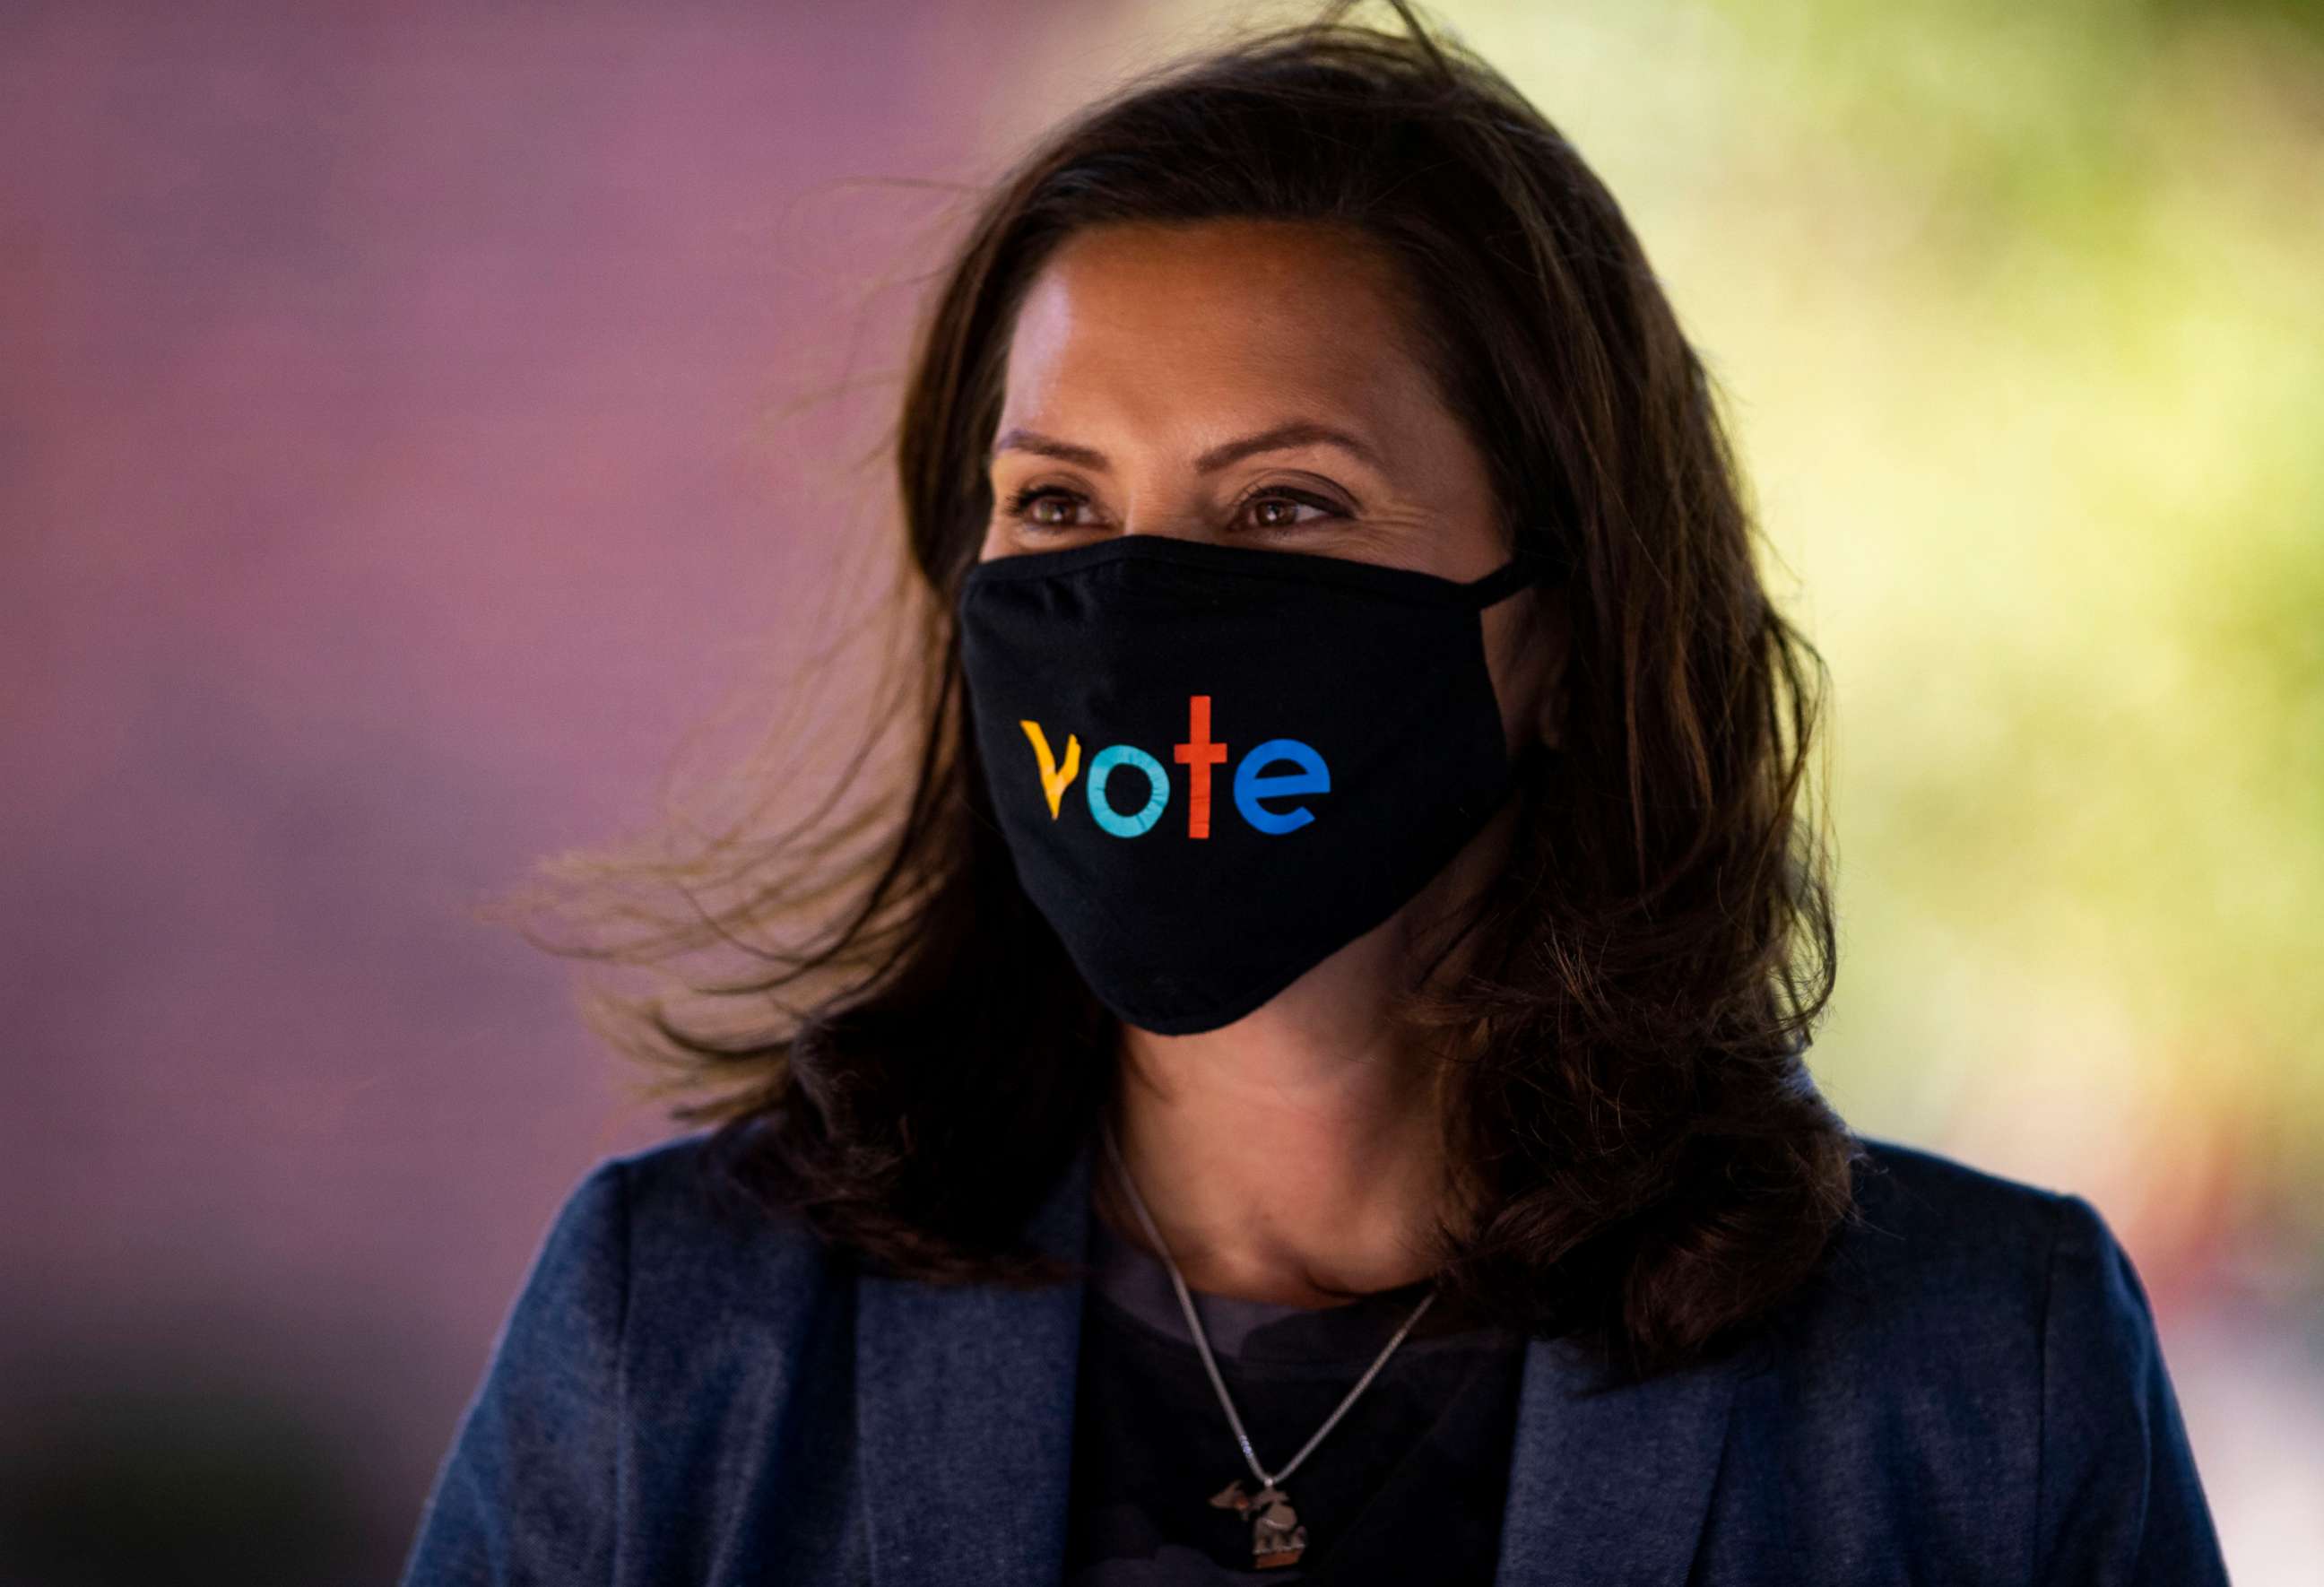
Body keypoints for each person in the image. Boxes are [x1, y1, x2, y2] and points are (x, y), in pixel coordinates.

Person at [398, 3, 2232, 1583]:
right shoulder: (683, 1331)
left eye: (1289, 505)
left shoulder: (1985, 1370)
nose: (1136, 615)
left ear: (1572, 627)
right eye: (1056, 507)